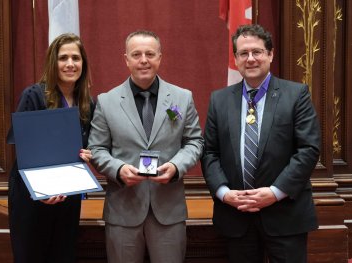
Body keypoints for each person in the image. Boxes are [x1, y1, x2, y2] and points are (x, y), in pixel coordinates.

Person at [201, 24, 321, 262]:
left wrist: (275, 193)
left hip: (285, 214)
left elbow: (308, 149)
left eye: (257, 51)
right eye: (243, 53)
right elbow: (209, 153)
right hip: (236, 216)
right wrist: (225, 193)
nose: (251, 58)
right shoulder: (220, 100)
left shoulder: (296, 95)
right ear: (235, 59)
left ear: (270, 54)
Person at [88, 30, 204, 263]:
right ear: (126, 59)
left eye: (150, 54)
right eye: (137, 54)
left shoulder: (182, 98)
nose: (144, 60)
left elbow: (195, 141)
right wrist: (118, 170)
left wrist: (176, 166)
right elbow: (97, 149)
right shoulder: (106, 101)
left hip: (168, 211)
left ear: (160, 58)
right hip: (123, 211)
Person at [7, 33, 94, 263]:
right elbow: (24, 150)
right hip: (32, 196)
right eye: (63, 57)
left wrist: (87, 154)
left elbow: (87, 145)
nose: (70, 64)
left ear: (83, 64)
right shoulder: (33, 95)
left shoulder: (87, 102)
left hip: (68, 196)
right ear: (52, 63)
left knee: (62, 255)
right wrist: (42, 191)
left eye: (76, 58)